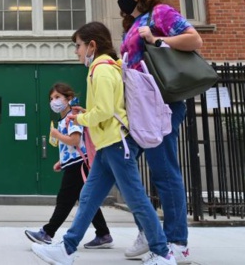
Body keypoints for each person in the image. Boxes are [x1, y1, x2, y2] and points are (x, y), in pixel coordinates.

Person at [31, 22, 175, 265]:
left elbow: (106, 110)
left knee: (136, 199)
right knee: (88, 197)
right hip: (109, 144)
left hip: (117, 143)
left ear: (92, 46)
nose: (76, 51)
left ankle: (163, 253)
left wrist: (80, 117)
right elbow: (108, 108)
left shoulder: (101, 69)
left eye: (78, 46)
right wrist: (88, 113)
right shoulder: (104, 68)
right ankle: (67, 248)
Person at [117, 0, 203, 264]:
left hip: (162, 104)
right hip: (139, 106)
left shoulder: (160, 13)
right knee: (120, 164)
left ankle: (177, 242)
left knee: (164, 172)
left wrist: (157, 39)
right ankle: (150, 231)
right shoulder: (132, 23)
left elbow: (194, 39)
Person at [24, 83, 113, 249]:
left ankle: (47, 232)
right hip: (74, 162)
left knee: (65, 199)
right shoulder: (64, 118)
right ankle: (103, 233)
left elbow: (75, 140)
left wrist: (57, 135)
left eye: (57, 97)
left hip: (78, 164)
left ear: (69, 98)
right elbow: (71, 146)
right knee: (86, 199)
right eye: (51, 98)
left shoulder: (73, 115)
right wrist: (61, 161)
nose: (53, 101)